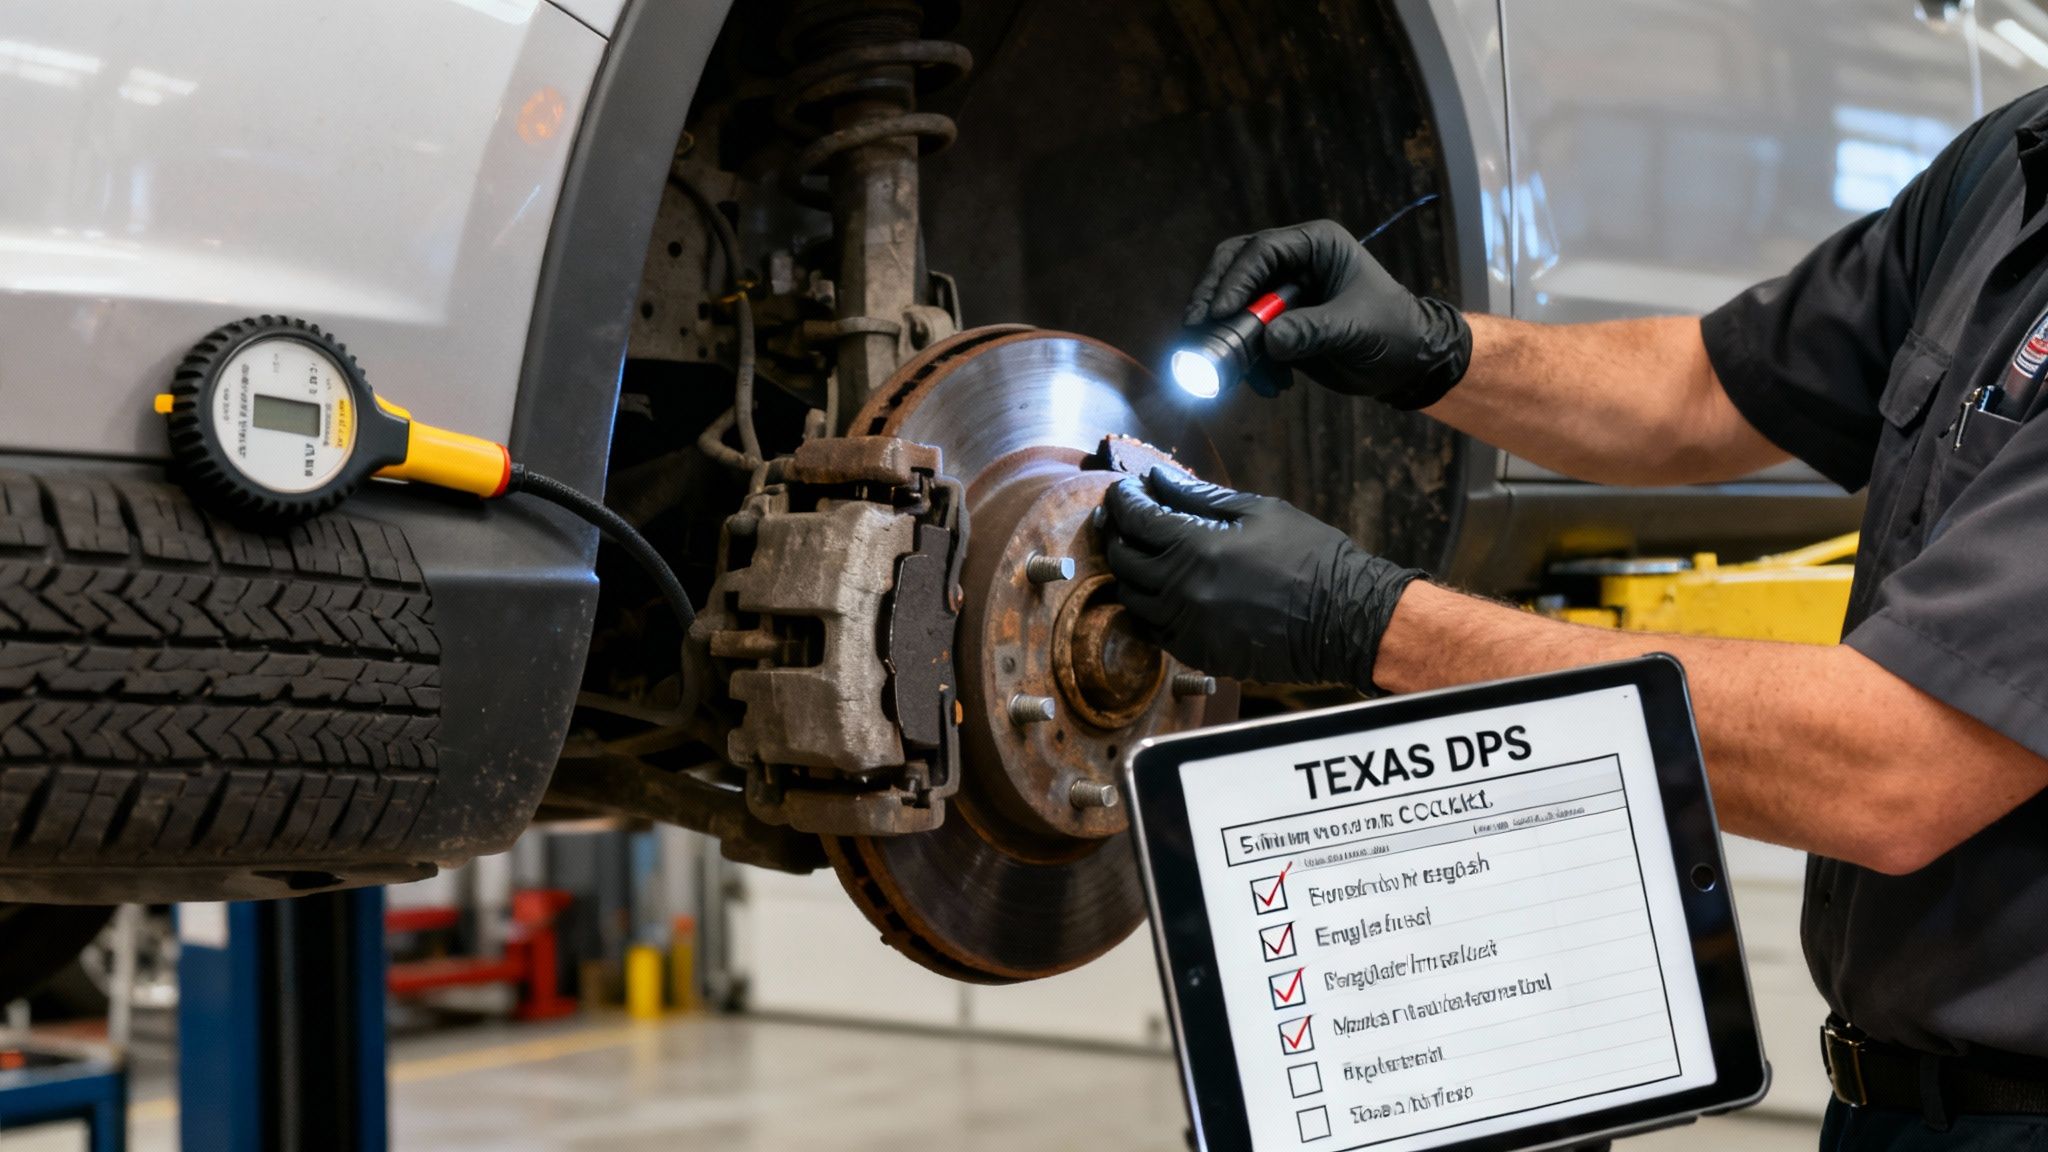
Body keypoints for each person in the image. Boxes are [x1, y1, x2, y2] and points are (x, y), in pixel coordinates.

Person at [1104, 92, 2048, 1151]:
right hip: (1888, 1108)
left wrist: (1366, 619)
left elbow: (1887, 765)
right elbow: (1700, 390)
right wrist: (1434, 348)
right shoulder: (2010, 167)